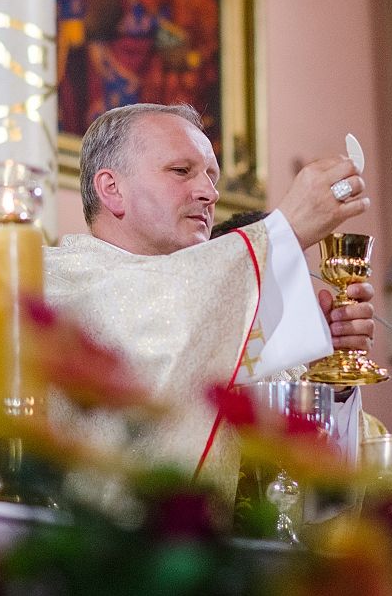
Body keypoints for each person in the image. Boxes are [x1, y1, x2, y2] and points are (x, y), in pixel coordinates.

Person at [45, 102, 374, 504]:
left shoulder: (232, 303)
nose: (210, 193)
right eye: (181, 171)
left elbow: (315, 496)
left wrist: (327, 373)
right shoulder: (58, 281)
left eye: (211, 177)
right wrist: (285, 229)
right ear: (112, 188)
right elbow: (144, 330)